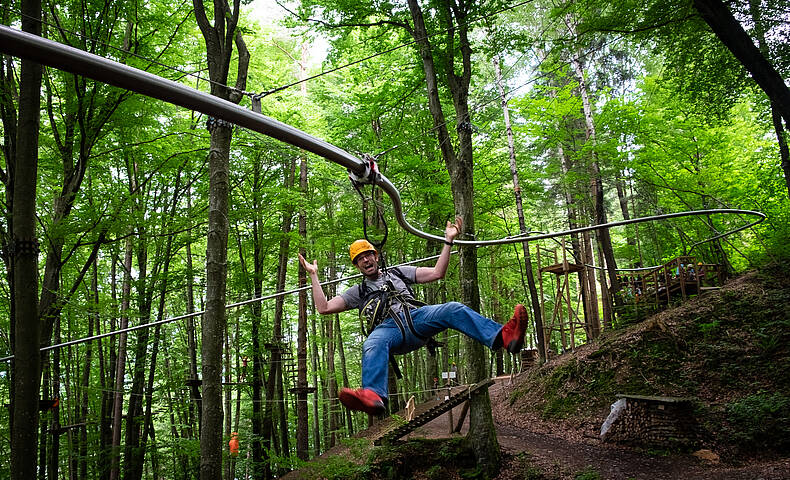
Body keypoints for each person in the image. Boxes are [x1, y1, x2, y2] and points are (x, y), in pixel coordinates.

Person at [298, 217, 529, 416]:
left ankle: (504, 337)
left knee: (453, 308)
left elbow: (438, 273)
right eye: (360, 259)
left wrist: (449, 241)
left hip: (416, 318)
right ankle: (373, 395)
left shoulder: (398, 272)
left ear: (376, 257)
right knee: (372, 343)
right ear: (357, 265)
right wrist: (314, 275)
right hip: (388, 332)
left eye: (368, 255)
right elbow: (324, 308)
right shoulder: (358, 292)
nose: (366, 260)